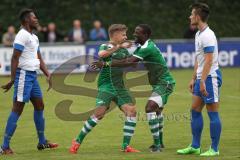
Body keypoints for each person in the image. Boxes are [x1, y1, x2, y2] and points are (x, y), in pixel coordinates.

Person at [92, 24, 176, 152]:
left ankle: (157, 146)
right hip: (159, 83)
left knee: (150, 108)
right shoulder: (143, 46)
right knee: (157, 111)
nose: (134, 35)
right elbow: (129, 60)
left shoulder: (147, 47)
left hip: (165, 83)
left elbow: (129, 62)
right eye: (134, 32)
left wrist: (105, 63)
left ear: (146, 35)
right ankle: (160, 143)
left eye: (138, 33)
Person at [69, 24, 140, 154]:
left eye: (125, 34)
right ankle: (77, 140)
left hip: (120, 87)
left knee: (132, 111)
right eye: (123, 34)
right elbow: (101, 54)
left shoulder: (124, 51)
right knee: (99, 114)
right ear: (115, 35)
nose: (126, 36)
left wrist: (135, 55)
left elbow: (131, 64)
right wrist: (118, 47)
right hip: (106, 86)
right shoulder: (106, 46)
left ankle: (126, 146)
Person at [0, 9, 58, 155]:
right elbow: (14, 58)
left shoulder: (34, 37)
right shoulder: (22, 35)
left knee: (40, 105)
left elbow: (38, 56)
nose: (36, 19)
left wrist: (47, 73)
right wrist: (13, 79)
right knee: (17, 108)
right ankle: (4, 146)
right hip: (23, 76)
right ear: (26, 20)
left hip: (32, 76)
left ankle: (42, 142)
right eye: (33, 17)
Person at [177, 3, 222, 157]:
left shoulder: (208, 35)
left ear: (197, 16)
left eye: (191, 14)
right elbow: (200, 58)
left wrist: (202, 81)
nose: (189, 17)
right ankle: (195, 146)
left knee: (212, 113)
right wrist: (194, 78)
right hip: (201, 78)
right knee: (195, 110)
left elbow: (209, 61)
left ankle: (214, 149)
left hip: (211, 77)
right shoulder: (198, 34)